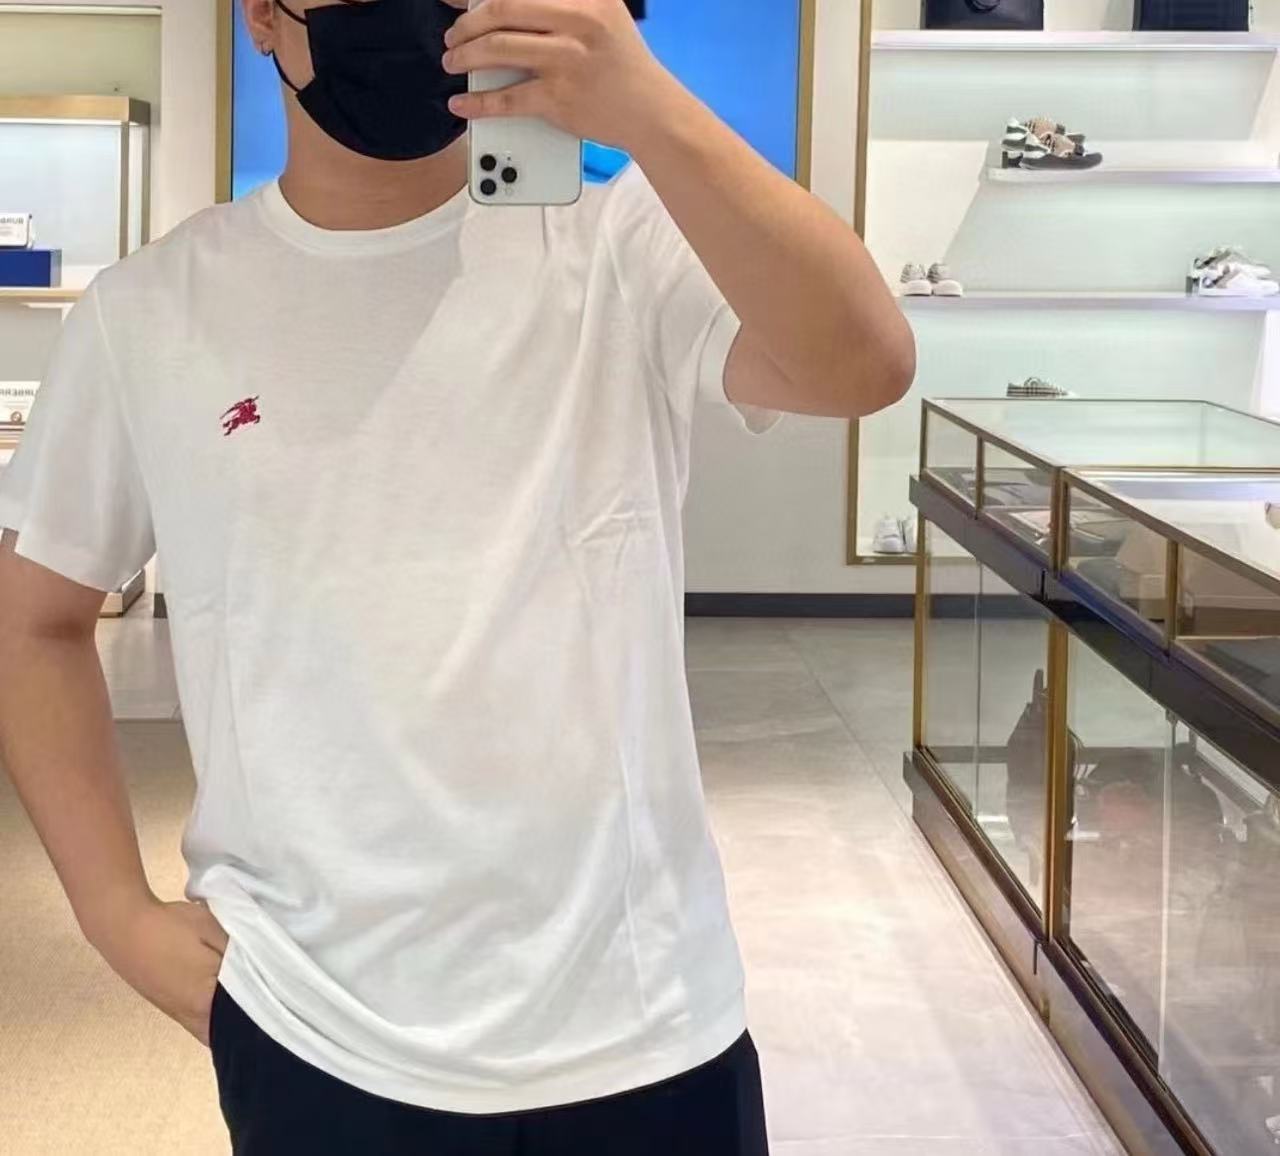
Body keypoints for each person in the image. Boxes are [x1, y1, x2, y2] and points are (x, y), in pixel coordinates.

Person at [0, 0, 914, 1152]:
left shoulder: (613, 242)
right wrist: (112, 913)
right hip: (314, 1022)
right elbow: (33, 620)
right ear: (263, 18)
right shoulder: (151, 311)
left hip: (640, 1021)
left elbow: (862, 363)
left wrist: (645, 106)